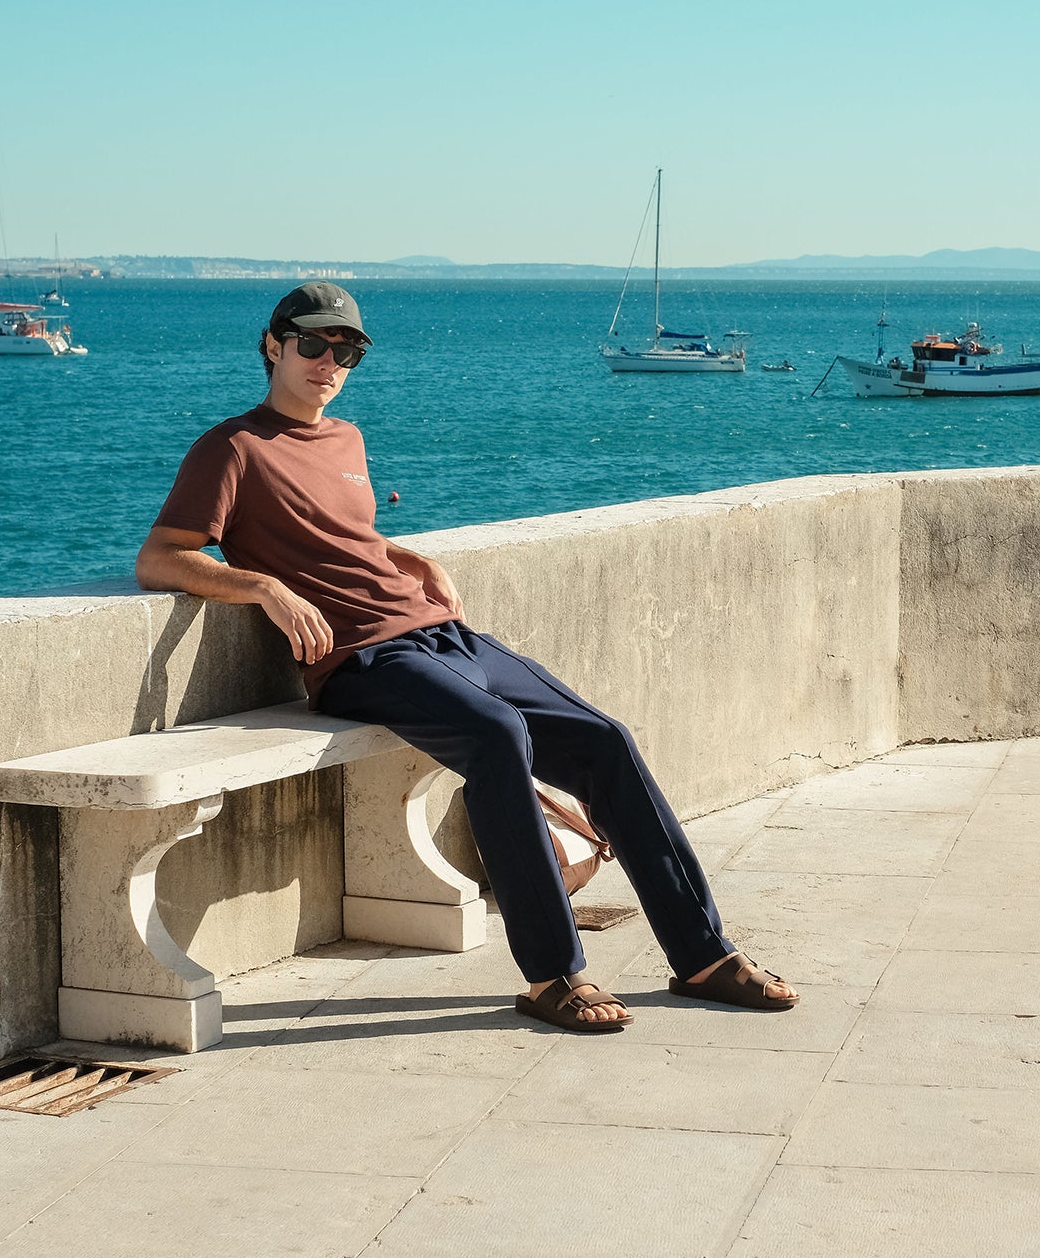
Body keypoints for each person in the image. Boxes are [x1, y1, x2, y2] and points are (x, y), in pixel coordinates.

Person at [136, 282, 797, 1032]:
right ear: (273, 345)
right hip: (361, 660)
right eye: (313, 345)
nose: (329, 363)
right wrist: (263, 587)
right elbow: (161, 558)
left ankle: (702, 955)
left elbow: (341, 540)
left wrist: (407, 556)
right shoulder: (232, 448)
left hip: (442, 636)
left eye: (346, 353)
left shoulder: (347, 439)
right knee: (497, 736)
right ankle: (552, 974)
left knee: (604, 741)